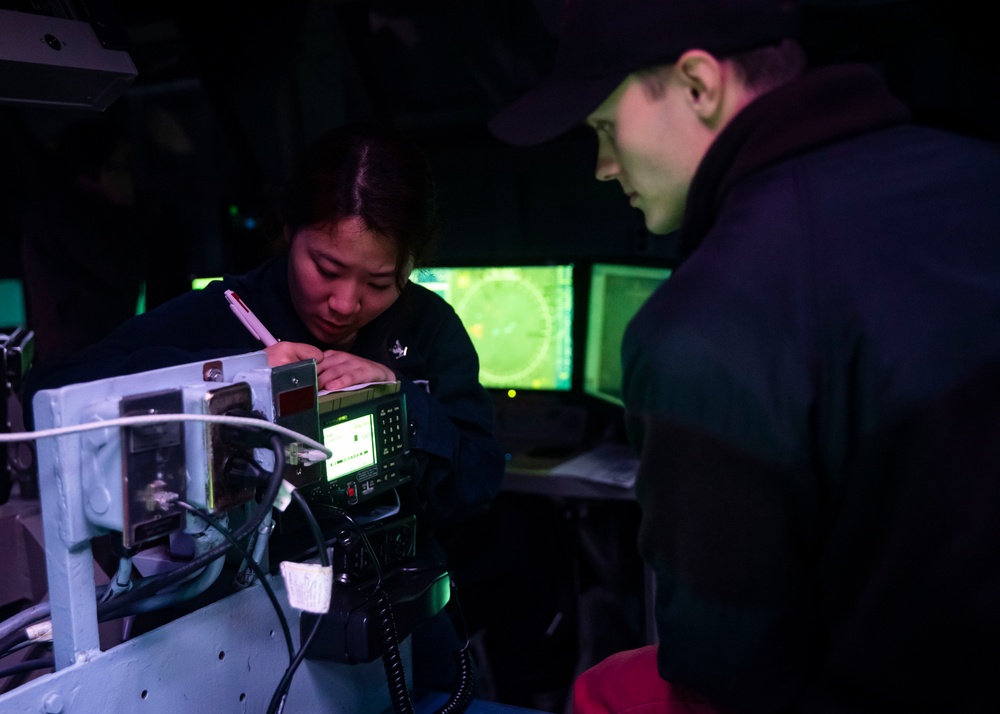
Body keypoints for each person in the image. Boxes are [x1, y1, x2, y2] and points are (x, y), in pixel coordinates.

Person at [488, 1, 1000, 712]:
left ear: (698, 84)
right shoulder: (976, 173)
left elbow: (723, 663)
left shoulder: (708, 324)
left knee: (604, 691)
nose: (604, 167)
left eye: (606, 128)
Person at [24, 122, 506, 690]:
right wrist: (235, 373)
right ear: (287, 230)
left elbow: (478, 480)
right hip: (232, 618)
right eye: (325, 268)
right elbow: (51, 389)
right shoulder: (228, 313)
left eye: (381, 281)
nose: (346, 303)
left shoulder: (427, 330)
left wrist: (400, 400)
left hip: (387, 606)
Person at [19, 118, 149, 364]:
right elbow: (123, 268)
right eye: (122, 165)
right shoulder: (71, 213)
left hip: (87, 354)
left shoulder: (64, 210)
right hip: (82, 357)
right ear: (94, 166)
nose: (131, 176)